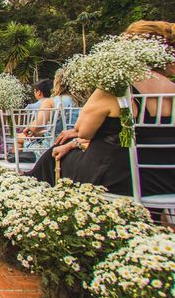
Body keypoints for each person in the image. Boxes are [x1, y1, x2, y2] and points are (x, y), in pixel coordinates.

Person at [28, 21, 175, 198]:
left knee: (51, 159)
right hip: (165, 180)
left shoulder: (118, 86)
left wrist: (75, 141)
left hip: (119, 177)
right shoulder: (171, 88)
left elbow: (84, 131)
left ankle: (46, 214)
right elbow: (130, 138)